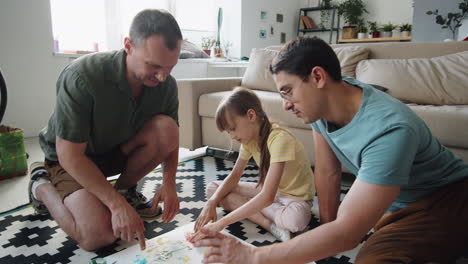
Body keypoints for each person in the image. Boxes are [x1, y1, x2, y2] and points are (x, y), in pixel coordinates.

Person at [193, 37, 468, 264]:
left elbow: (348, 233)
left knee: (371, 257)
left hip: (444, 198)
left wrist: (253, 256)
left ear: (317, 77)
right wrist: (326, 233)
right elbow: (327, 172)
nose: (285, 105)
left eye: (288, 91)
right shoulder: (321, 109)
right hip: (396, 201)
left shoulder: (391, 129)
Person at [28, 9, 182, 251]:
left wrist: (169, 182)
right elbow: (69, 155)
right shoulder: (82, 76)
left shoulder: (166, 85)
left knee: (167, 130)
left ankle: (123, 192)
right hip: (70, 160)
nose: (162, 76)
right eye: (154, 66)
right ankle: (41, 186)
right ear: (128, 46)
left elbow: (172, 139)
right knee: (99, 235)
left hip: (113, 150)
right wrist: (115, 205)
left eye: (170, 67)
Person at [192, 87, 315, 242]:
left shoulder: (280, 139)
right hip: (270, 192)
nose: (232, 136)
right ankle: (269, 224)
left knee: (295, 221)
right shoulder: (249, 140)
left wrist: (221, 223)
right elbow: (235, 175)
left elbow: (267, 196)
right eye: (228, 132)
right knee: (213, 190)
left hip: (295, 198)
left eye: (232, 129)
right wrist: (211, 203)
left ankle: (251, 207)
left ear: (251, 115)